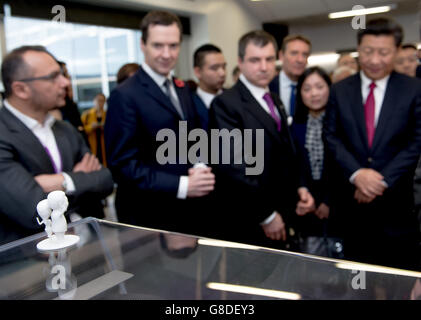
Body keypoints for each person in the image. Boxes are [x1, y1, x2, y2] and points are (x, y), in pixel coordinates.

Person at [104, 11, 215, 236]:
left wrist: (200, 166)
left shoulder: (181, 88)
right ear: (142, 45)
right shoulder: (124, 95)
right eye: (158, 46)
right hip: (147, 217)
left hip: (187, 212)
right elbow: (123, 167)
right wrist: (182, 185)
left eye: (173, 46)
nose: (167, 54)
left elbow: (191, 137)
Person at [324, 17, 421, 270]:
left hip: (397, 207)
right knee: (356, 282)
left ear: (397, 51)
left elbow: (416, 141)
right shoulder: (340, 90)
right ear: (358, 49)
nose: (375, 60)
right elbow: (331, 136)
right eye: (368, 52)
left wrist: (380, 180)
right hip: (352, 209)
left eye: (383, 52)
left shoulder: (413, 89)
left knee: (399, 280)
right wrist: (357, 175)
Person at [208, 30, 315, 248]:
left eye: (269, 59)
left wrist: (300, 187)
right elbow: (233, 168)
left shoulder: (274, 99)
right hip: (251, 219)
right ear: (240, 62)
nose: (264, 67)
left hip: (284, 210)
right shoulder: (226, 104)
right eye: (255, 60)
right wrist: (265, 215)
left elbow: (287, 151)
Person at [0, 45, 114, 245]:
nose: (65, 82)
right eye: (53, 77)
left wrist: (59, 181)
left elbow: (104, 180)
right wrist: (80, 181)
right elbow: (32, 209)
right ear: (20, 89)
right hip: (30, 265)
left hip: (89, 250)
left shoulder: (65, 129)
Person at [290, 67, 343, 257]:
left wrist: (328, 202)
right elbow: (294, 165)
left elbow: (343, 167)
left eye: (319, 87)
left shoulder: (342, 122)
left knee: (348, 275)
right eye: (307, 89)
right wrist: (304, 192)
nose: (314, 94)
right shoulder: (295, 126)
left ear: (329, 88)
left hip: (339, 203)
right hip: (307, 203)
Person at [269, 34, 312, 119]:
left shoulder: (312, 89)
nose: (300, 60)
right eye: (294, 53)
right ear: (281, 55)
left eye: (304, 55)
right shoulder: (268, 87)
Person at [192, 44, 226, 130]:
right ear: (198, 72)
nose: (222, 73)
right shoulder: (188, 104)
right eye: (214, 68)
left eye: (224, 67)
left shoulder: (235, 99)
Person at [81, 93, 107, 166]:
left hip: (104, 148)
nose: (100, 103)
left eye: (102, 101)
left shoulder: (108, 115)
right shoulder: (87, 115)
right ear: (94, 101)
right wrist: (91, 127)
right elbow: (81, 131)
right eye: (98, 100)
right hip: (91, 146)